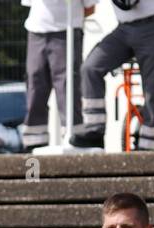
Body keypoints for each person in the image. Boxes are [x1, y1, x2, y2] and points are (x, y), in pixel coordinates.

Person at [69, 0, 154, 151]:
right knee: (91, 68)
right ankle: (95, 132)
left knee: (153, 86)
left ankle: (148, 146)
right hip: (124, 28)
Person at [21, 1, 95, 151]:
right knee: (35, 85)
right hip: (37, 30)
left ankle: (73, 138)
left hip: (66, 31)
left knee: (67, 87)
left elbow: (90, 8)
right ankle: (34, 144)